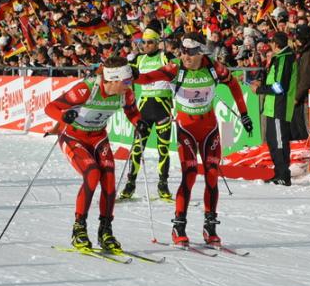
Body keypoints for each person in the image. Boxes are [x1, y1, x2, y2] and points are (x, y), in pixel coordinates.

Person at [134, 32, 253, 246]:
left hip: (209, 130)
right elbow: (146, 78)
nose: (185, 56)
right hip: (186, 129)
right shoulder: (174, 69)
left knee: (212, 175)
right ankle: (178, 226)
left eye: (190, 52)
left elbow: (234, 85)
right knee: (189, 175)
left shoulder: (214, 68)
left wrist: (244, 114)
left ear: (200, 52)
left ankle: (210, 227)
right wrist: (128, 73)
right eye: (182, 51)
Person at [44, 56, 148, 252]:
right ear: (113, 80)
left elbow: (132, 112)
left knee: (109, 178)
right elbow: (50, 107)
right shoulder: (87, 88)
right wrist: (64, 115)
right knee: (92, 174)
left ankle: (105, 230)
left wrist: (138, 122)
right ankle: (79, 229)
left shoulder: (126, 93)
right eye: (126, 82)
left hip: (98, 137)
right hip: (74, 137)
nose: (129, 85)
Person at [119, 21, 176, 201]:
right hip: (144, 109)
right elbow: (128, 81)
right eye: (143, 42)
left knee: (163, 149)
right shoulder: (138, 59)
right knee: (137, 148)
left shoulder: (165, 57)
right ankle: (130, 185)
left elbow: (177, 74)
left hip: (163, 108)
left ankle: (163, 185)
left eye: (150, 42)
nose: (146, 46)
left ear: (157, 42)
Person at [249, 32, 298, 186]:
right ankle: (279, 172)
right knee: (272, 140)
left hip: (279, 106)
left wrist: (260, 89)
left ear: (276, 44)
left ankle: (284, 174)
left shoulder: (284, 58)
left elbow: (279, 86)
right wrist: (261, 82)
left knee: (279, 141)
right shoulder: (280, 58)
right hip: (272, 106)